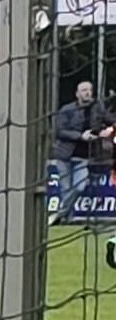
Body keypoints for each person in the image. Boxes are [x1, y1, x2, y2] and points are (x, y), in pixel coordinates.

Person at [52, 79, 115, 223]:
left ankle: (59, 214)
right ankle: (66, 219)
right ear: (77, 94)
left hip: (84, 156)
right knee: (66, 188)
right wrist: (81, 136)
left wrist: (108, 130)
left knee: (79, 187)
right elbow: (59, 131)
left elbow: (109, 120)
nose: (87, 93)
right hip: (64, 155)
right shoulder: (67, 110)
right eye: (84, 90)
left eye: (89, 90)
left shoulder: (97, 108)